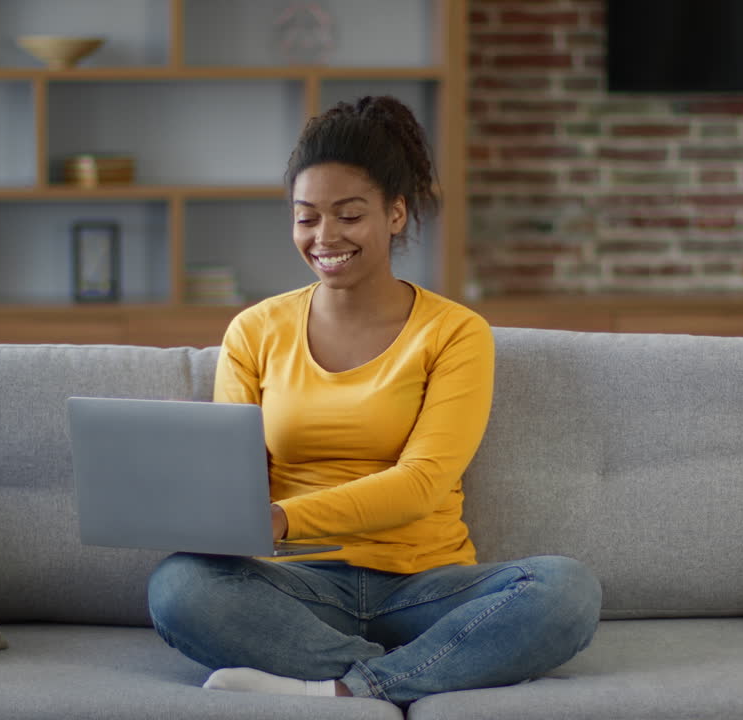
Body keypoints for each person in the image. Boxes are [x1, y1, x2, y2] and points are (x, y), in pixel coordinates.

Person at [147, 95, 601, 707]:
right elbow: (234, 486)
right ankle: (414, 673)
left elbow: (422, 483)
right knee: (178, 586)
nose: (324, 237)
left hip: (427, 588)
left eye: (349, 215)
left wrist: (282, 518)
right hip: (295, 588)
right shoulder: (254, 331)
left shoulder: (455, 333)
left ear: (395, 213)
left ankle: (342, 687)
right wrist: (193, 488)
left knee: (567, 591)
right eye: (306, 218)